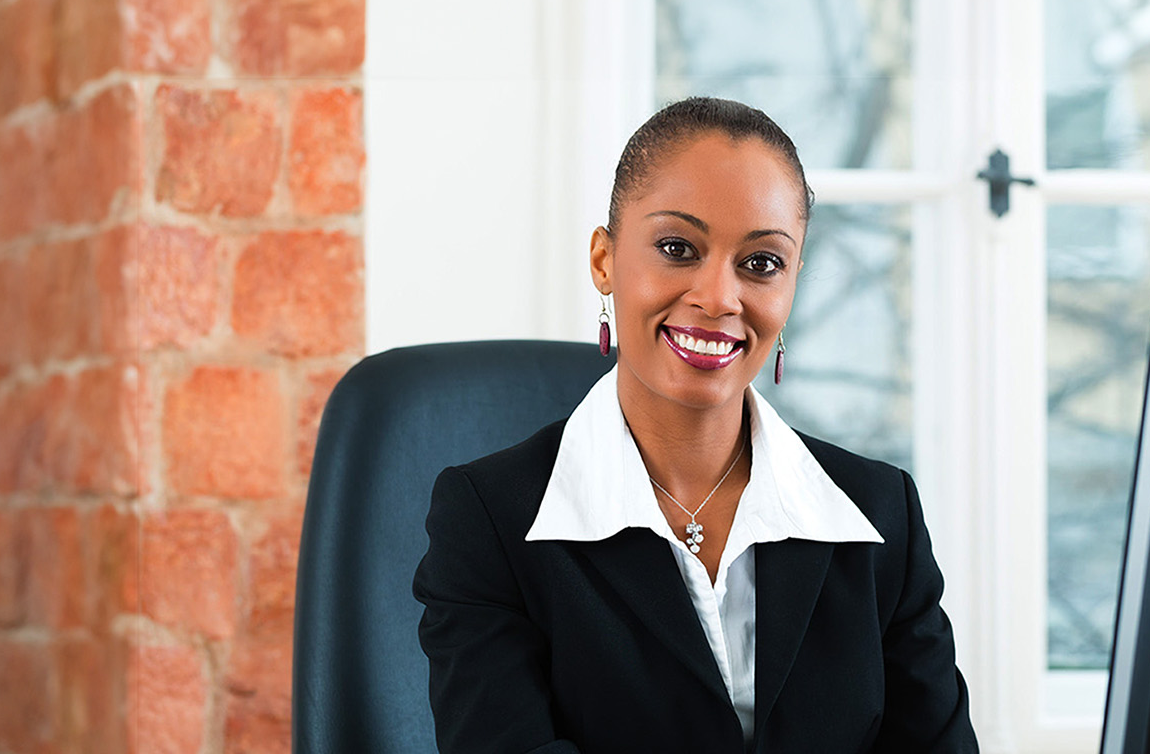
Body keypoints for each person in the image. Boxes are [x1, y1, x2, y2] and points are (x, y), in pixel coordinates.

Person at [413, 97, 978, 753]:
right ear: (603, 260)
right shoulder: (490, 520)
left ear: (793, 282)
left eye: (761, 262)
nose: (718, 298)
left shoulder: (880, 514)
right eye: (678, 247)